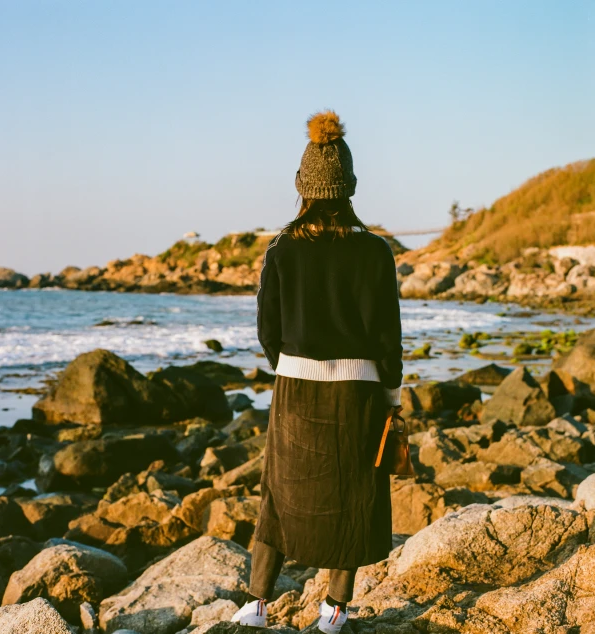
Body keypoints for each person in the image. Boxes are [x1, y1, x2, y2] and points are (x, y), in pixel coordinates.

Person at [231, 110, 403, 633]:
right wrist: (393, 397)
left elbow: (267, 328)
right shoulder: (376, 251)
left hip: (297, 387)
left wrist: (288, 364)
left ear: (303, 186)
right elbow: (387, 335)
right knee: (352, 494)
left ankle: (257, 604)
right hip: (360, 390)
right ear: (349, 185)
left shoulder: (283, 247)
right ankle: (334, 611)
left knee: (279, 493)